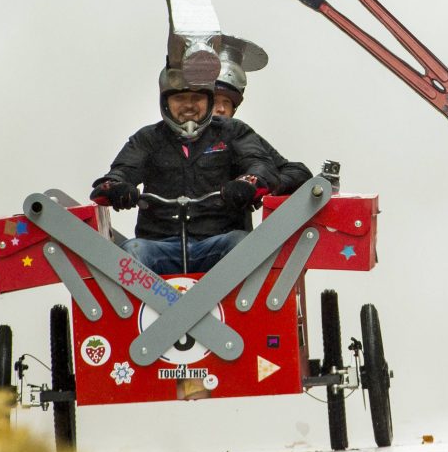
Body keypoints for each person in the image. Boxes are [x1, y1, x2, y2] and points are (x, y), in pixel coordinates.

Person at [90, 65, 280, 275]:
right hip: (160, 247)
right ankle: (149, 306)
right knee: (131, 252)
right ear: (165, 103)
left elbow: (262, 166)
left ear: (208, 101)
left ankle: (241, 307)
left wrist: (247, 183)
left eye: (196, 98)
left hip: (218, 244)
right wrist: (116, 188)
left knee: (243, 245)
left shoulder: (231, 131)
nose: (189, 105)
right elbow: (119, 173)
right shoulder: (147, 138)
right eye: (179, 99)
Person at [212, 35, 312, 197]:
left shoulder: (238, 135)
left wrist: (255, 185)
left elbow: (297, 171)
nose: (221, 109)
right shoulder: (164, 136)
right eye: (215, 101)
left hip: (228, 220)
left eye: (227, 103)